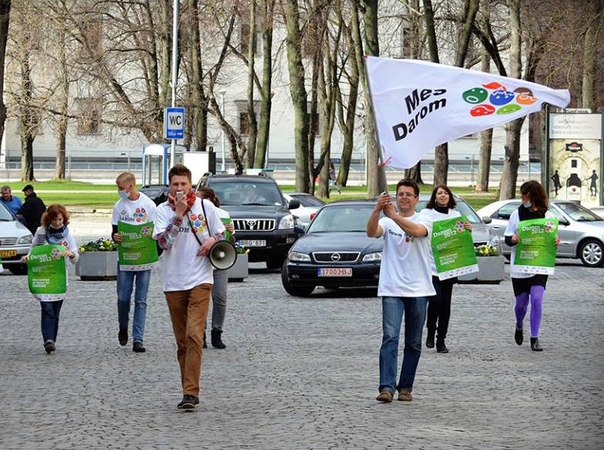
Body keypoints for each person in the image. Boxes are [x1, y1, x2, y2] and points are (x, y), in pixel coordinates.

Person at [153, 164, 225, 410]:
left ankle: (191, 393)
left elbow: (223, 233)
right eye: (175, 184)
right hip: (173, 282)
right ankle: (187, 387)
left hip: (200, 279)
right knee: (182, 341)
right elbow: (164, 243)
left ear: (191, 185)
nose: (180, 188)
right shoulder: (162, 211)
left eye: (184, 184)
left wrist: (212, 241)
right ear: (169, 187)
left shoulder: (206, 207)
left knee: (195, 335)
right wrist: (178, 216)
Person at [366, 179, 435, 403]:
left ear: (416, 198)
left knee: (413, 342)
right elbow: (371, 232)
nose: (404, 197)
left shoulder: (425, 218)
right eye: (400, 194)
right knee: (390, 338)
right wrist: (377, 211)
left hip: (419, 288)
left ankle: (405, 387)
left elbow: (416, 231)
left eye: (408, 194)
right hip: (392, 287)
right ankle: (386, 387)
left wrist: (395, 216)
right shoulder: (387, 222)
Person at [505, 180, 559, 352]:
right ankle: (519, 324)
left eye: (525, 195)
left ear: (533, 195)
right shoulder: (516, 214)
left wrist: (556, 241)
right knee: (521, 304)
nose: (522, 198)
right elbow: (507, 238)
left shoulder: (548, 216)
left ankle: (534, 337)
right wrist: (512, 239)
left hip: (539, 265)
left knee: (536, 298)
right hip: (520, 266)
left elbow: (552, 239)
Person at [420, 185, 471, 354]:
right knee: (435, 300)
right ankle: (430, 331)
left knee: (446, 305)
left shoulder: (456, 216)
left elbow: (461, 239)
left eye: (446, 193)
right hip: (432, 265)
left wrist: (467, 230)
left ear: (450, 197)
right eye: (439, 193)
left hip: (449, 266)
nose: (443, 196)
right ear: (434, 197)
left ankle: (441, 339)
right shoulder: (426, 214)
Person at [22, 204, 79, 354]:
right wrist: (28, 257)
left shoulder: (67, 234)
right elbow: (34, 249)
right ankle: (48, 339)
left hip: (59, 277)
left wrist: (71, 254)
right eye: (54, 220)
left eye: (60, 219)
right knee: (46, 307)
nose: (57, 223)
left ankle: (52, 339)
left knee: (55, 310)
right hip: (44, 276)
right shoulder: (41, 232)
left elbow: (75, 254)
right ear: (49, 219)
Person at [111, 172, 157, 353]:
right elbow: (114, 231)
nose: (119, 191)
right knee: (123, 298)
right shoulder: (119, 206)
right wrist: (115, 237)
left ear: (131, 186)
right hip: (125, 258)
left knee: (141, 300)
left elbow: (155, 230)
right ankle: (123, 325)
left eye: (121, 188)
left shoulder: (148, 205)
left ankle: (138, 338)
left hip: (143, 258)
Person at [196, 187, 236, 350]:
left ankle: (217, 331)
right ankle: (201, 333)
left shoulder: (223, 214)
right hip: (202, 261)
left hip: (219, 259)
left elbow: (231, 240)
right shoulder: (195, 215)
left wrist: (232, 232)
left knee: (220, 298)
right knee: (201, 299)